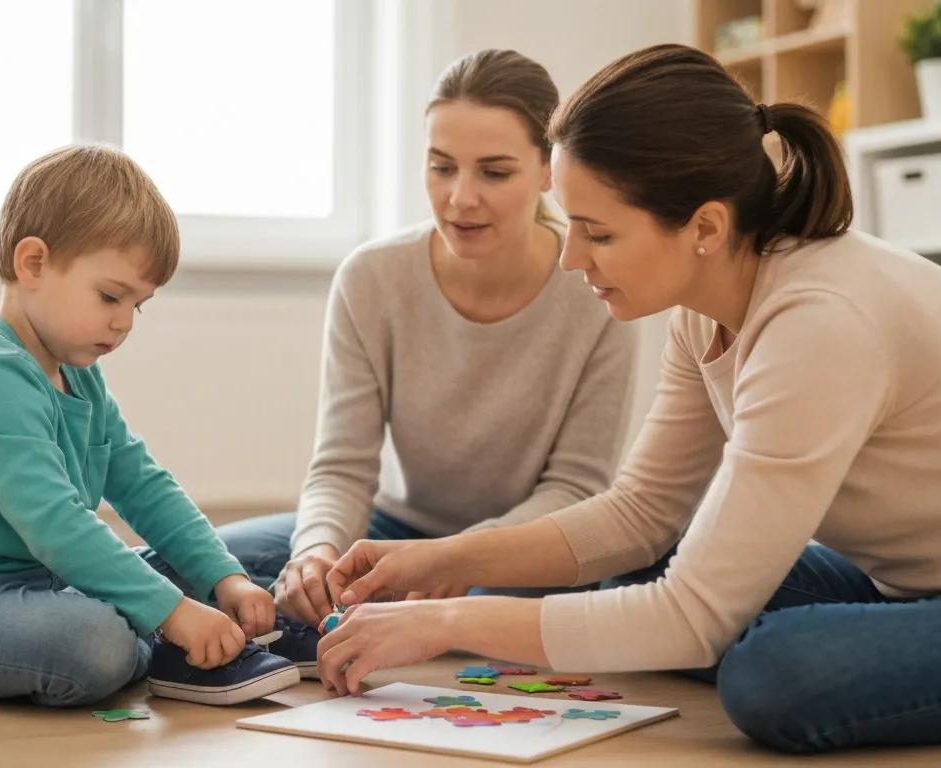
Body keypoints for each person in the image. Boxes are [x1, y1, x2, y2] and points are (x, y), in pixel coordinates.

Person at [316, 44, 941, 753]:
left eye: (597, 232)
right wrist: (445, 561)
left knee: (772, 676)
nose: (570, 260)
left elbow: (694, 616)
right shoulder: (706, 303)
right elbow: (639, 513)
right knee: (640, 564)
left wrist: (445, 619)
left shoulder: (821, 321)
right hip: (912, 586)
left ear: (704, 226)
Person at [216, 49, 638, 675]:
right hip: (390, 532)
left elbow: (576, 487)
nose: (460, 198)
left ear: (549, 169)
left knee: (587, 591)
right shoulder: (372, 278)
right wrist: (316, 551)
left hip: (522, 551)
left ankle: (382, 621)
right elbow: (343, 464)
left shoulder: (598, 289)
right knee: (203, 560)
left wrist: (457, 560)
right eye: (442, 167)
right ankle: (374, 616)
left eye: (494, 172)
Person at [0, 145, 298, 707]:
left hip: (37, 585)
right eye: (111, 296)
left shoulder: (79, 376)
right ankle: (164, 646)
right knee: (97, 644)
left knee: (209, 573)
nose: (123, 322)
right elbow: (58, 526)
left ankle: (183, 633)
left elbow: (144, 485)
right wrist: (173, 613)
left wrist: (223, 577)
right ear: (33, 263)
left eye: (137, 306)